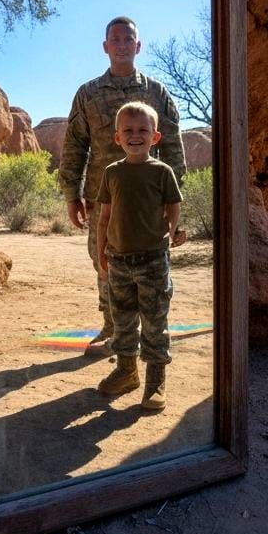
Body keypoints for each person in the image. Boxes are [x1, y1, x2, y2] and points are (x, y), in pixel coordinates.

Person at [59, 16, 185, 355]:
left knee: (151, 263)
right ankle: (113, 328)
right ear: (105, 47)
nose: (121, 44)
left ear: (138, 46)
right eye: (115, 39)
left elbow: (172, 145)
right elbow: (74, 145)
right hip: (103, 198)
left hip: (148, 198)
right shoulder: (88, 94)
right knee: (105, 261)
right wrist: (72, 194)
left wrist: (175, 205)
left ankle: (151, 332)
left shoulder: (156, 92)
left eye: (128, 39)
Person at [95, 102, 185, 410]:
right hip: (118, 260)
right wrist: (101, 254)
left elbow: (173, 206)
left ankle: (155, 380)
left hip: (152, 260)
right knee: (122, 319)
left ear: (155, 137)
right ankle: (126, 371)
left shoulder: (162, 172)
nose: (136, 135)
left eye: (143, 130)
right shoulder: (112, 173)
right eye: (128, 130)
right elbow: (104, 217)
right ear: (117, 137)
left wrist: (173, 229)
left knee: (154, 321)